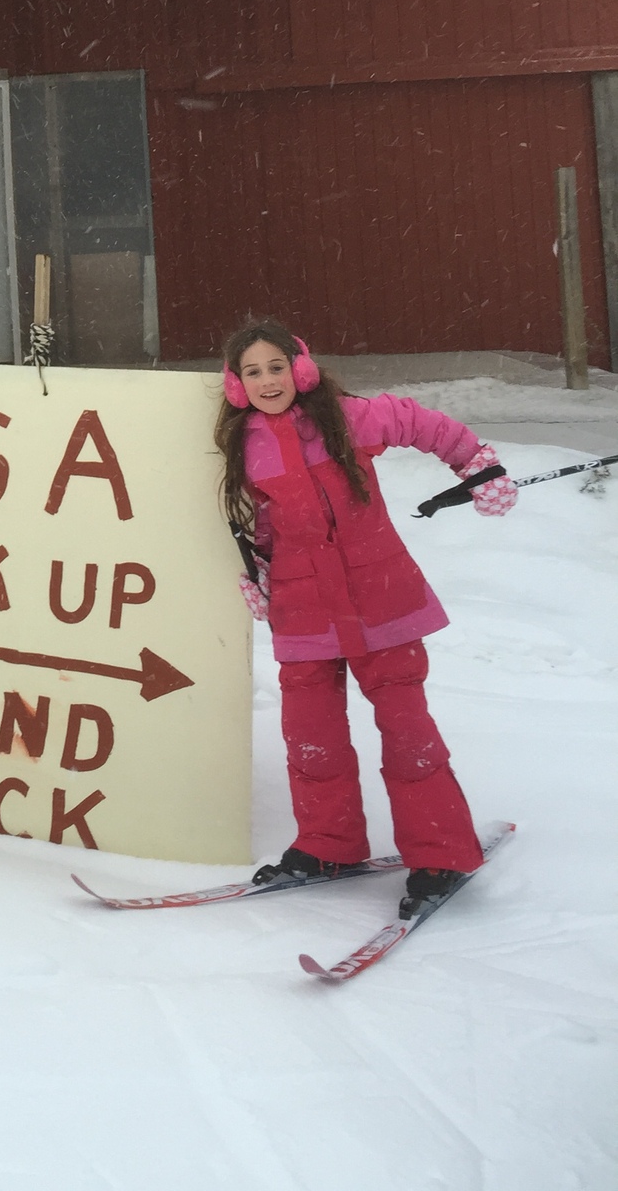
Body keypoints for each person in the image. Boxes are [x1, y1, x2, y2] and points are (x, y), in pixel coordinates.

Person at [216, 317, 517, 919]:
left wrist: (478, 466)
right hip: (303, 606)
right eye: (253, 371)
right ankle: (328, 844)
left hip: (378, 595)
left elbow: (419, 422)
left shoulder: (345, 417)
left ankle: (440, 853)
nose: (269, 380)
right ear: (236, 384)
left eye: (278, 366)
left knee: (406, 729)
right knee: (310, 733)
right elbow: (270, 516)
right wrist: (265, 576)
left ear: (301, 369)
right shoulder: (245, 442)